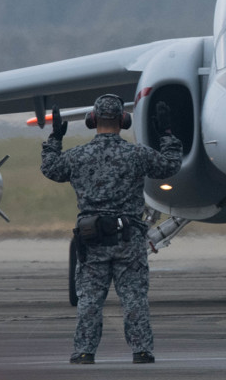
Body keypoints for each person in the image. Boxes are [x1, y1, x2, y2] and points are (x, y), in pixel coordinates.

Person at [40, 93, 182, 365]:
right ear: (123, 120)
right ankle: (141, 351)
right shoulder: (137, 155)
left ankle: (84, 351)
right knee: (134, 299)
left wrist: (54, 138)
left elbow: (50, 168)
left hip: (93, 239)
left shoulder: (78, 156)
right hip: (129, 238)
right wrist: (166, 133)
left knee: (90, 300)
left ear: (92, 120)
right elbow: (170, 165)